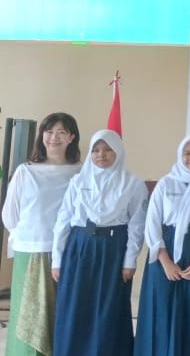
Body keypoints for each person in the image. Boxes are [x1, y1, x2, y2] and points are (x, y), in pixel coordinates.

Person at [51, 129, 148, 356]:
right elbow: (63, 220)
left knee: (108, 307)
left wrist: (130, 260)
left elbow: (137, 225)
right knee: (75, 305)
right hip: (79, 247)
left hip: (113, 249)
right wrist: (57, 259)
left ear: (118, 151)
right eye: (95, 150)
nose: (101, 155)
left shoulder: (132, 184)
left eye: (107, 149)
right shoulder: (78, 181)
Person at [136, 135, 190, 356]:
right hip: (164, 255)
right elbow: (152, 224)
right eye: (187, 153)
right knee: (162, 312)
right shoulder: (167, 183)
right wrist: (165, 262)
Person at [2, 112, 80, 356]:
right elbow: (10, 214)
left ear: (71, 137)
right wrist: (30, 235)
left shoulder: (80, 172)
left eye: (61, 132)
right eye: (49, 131)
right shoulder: (26, 171)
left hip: (68, 253)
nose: (54, 137)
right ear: (42, 136)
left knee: (60, 312)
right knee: (29, 316)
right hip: (31, 251)